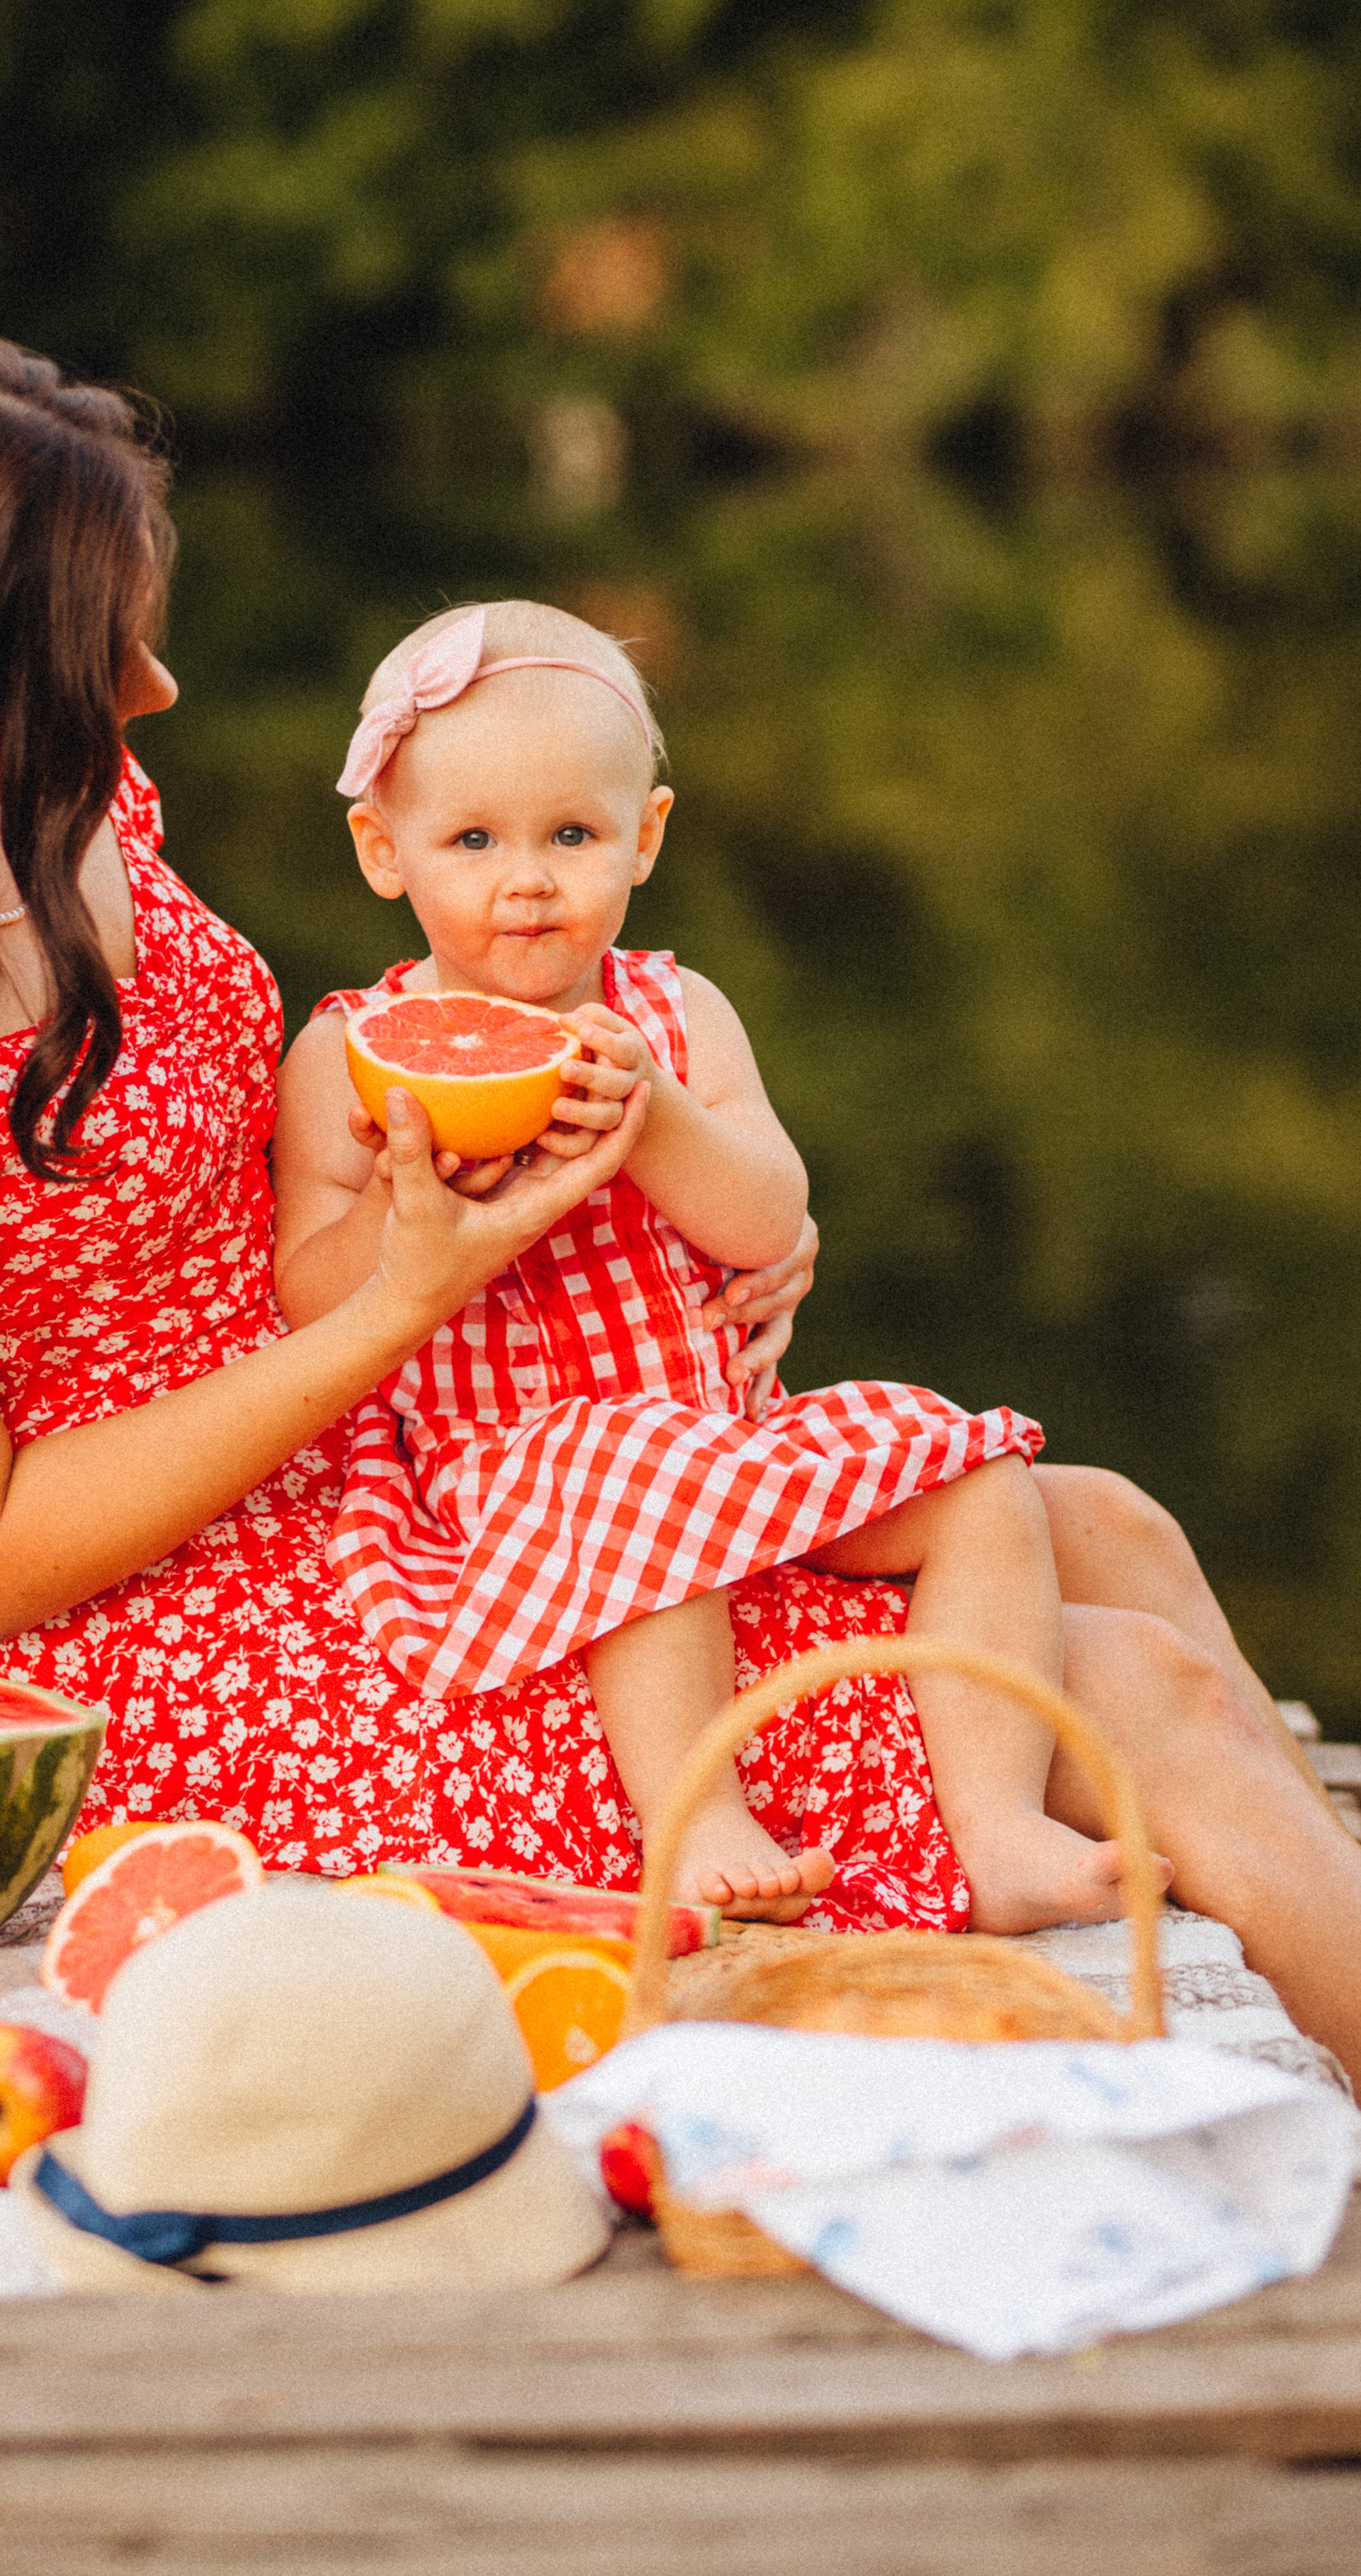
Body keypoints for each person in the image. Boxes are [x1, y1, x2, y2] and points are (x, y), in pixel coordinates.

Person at [0, 328, 1361, 2073]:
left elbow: (290, 1146)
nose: (155, 690)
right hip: (199, 1643)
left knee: (1093, 1519)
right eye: (97, 654)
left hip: (416, 1429)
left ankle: (1300, 2017)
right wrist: (390, 1309)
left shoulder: (59, 803)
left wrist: (679, 1222)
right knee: (1139, 1696)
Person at [274, 600, 1165, 1932]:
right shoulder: (352, 1050)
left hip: (718, 1436)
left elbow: (766, 1222)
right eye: (472, 841)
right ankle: (699, 1813)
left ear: (646, 836)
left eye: (572, 836)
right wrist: (408, 1221)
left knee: (981, 1479)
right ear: (381, 851)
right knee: (638, 1477)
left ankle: (996, 1826)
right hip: (510, 1475)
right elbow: (305, 1298)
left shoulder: (680, 1018)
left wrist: (659, 1125)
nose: (527, 880)